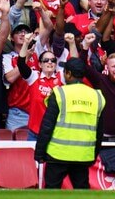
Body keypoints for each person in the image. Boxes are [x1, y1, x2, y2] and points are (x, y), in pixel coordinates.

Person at [34, 58, 104, 189]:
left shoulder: (60, 93)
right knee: (82, 195)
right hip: (83, 155)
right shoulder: (97, 96)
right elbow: (99, 131)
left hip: (58, 154)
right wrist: (94, 154)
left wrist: (40, 152)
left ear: (68, 74)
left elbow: (47, 126)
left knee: (51, 193)